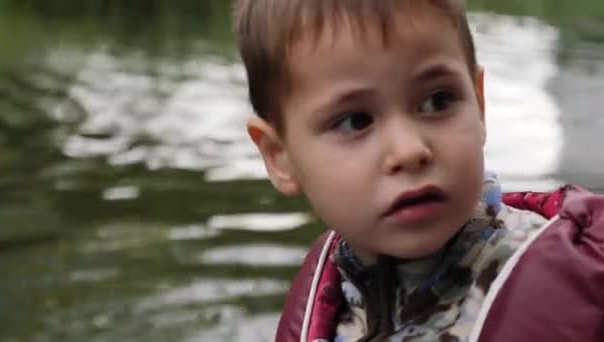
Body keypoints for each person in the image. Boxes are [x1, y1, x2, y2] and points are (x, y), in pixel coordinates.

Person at [233, 0, 604, 341]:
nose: (410, 151)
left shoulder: (579, 284)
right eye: (355, 121)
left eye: (438, 100)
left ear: (479, 104)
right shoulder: (327, 299)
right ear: (280, 157)